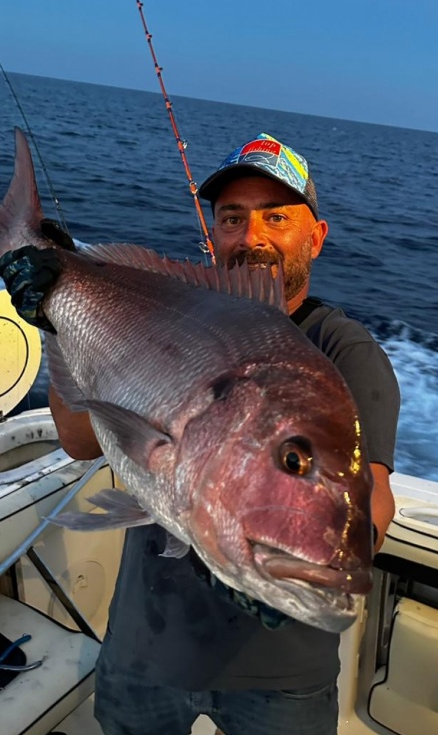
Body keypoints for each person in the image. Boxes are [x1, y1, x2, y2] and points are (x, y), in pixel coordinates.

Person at [1, 132, 400, 735]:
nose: (252, 235)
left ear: (315, 236)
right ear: (212, 233)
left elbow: (371, 489)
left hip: (282, 684)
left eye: (276, 216)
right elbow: (82, 441)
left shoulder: (344, 350)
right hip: (144, 649)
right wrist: (56, 314)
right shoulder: (166, 306)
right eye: (232, 217)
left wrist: (323, 549)